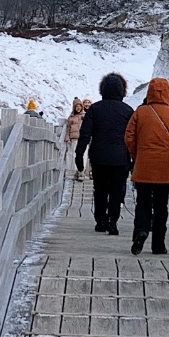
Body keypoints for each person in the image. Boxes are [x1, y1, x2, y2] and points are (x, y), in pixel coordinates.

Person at [123, 76, 169, 255]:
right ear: (167, 92)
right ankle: (158, 244)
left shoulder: (140, 111)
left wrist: (138, 154)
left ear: (149, 92)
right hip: (164, 167)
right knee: (161, 205)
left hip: (144, 164)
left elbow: (129, 137)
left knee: (143, 202)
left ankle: (141, 231)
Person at [74, 75, 132, 233]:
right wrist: (134, 159)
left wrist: (79, 155)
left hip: (99, 157)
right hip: (121, 158)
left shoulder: (95, 109)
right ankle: (113, 221)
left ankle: (100, 221)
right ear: (122, 90)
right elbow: (133, 137)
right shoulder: (128, 110)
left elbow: (85, 134)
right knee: (117, 190)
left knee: (100, 189)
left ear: (103, 89)